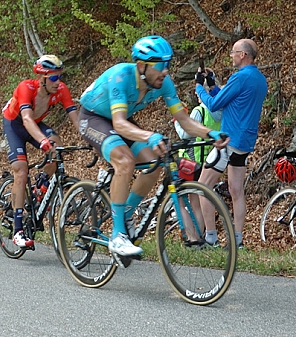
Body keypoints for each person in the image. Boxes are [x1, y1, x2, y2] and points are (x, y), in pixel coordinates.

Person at [78, 35, 229, 257]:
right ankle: (117, 235)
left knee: (154, 163)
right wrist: (149, 136)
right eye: (160, 65)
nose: (166, 71)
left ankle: (126, 213)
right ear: (141, 66)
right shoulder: (121, 77)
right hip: (93, 117)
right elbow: (119, 123)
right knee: (125, 161)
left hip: (119, 120)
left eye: (168, 64)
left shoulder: (163, 83)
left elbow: (185, 120)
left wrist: (211, 132)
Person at [196, 38, 268, 249]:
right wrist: (212, 83)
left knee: (202, 186)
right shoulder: (259, 79)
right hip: (244, 143)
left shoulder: (239, 77)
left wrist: (199, 88)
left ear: (243, 55)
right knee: (236, 191)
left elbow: (214, 104)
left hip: (228, 141)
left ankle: (210, 237)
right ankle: (237, 241)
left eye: (234, 52)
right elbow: (229, 100)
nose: (231, 55)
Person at [2, 55, 80, 249]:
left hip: (35, 124)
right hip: (16, 124)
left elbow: (76, 119)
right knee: (21, 170)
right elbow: (26, 119)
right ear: (42, 78)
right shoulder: (26, 88)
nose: (58, 82)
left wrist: (94, 140)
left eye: (60, 77)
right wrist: (42, 141)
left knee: (57, 146)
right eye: (53, 78)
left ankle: (42, 185)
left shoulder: (61, 90)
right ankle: (18, 231)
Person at [175, 69, 221, 163]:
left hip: (194, 160)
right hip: (214, 159)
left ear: (206, 92)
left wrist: (177, 119)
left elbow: (184, 134)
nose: (196, 93)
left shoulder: (199, 111)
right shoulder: (224, 109)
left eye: (199, 90)